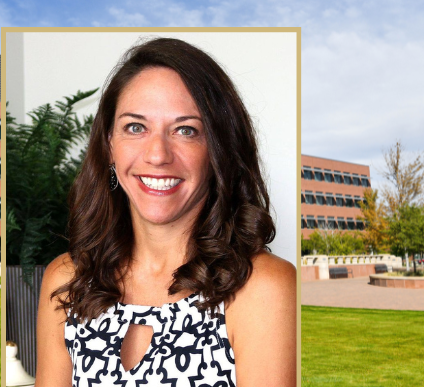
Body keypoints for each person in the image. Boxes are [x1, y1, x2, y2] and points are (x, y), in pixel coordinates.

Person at [35, 37, 296, 386]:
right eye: (135, 127)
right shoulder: (67, 282)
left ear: (218, 150)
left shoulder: (262, 287)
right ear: (108, 145)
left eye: (186, 130)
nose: (158, 155)